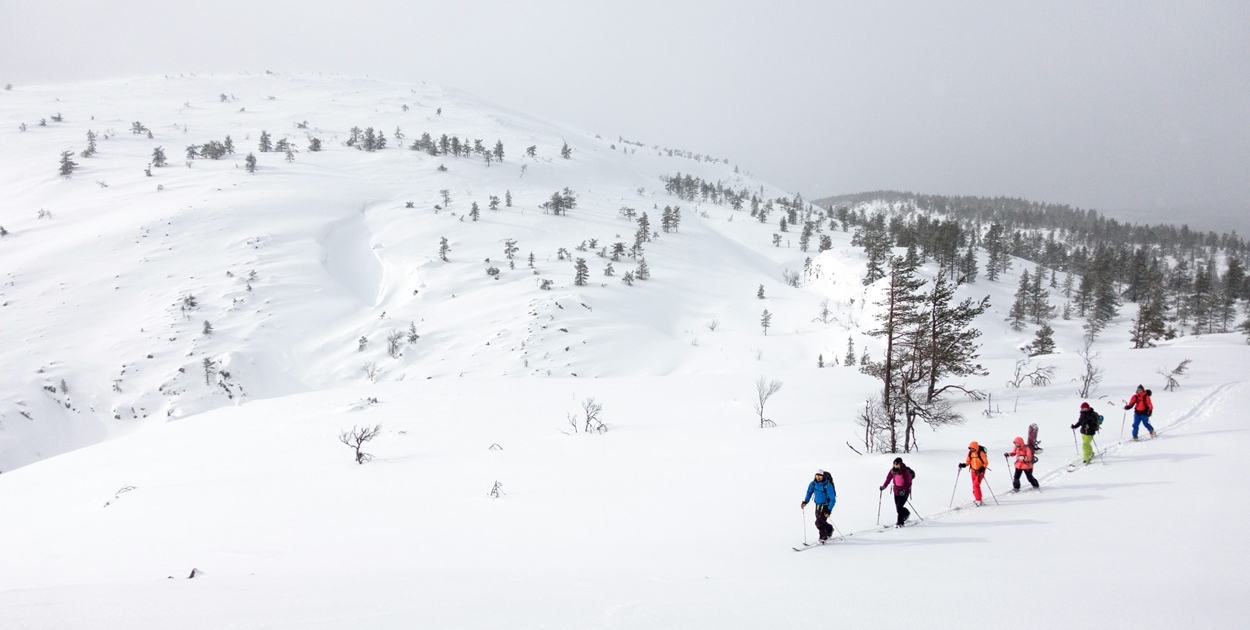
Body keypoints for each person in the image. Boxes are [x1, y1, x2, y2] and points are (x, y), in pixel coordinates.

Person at [800, 470, 837, 542]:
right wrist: (805, 501)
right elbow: (809, 493)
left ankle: (823, 537)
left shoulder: (828, 485)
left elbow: (833, 499)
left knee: (819, 522)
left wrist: (829, 510)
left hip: (826, 506)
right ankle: (829, 529)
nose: (818, 478)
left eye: (820, 476)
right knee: (820, 521)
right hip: (817, 506)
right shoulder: (813, 484)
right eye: (817, 476)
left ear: (823, 477)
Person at [879, 457, 915, 527]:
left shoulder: (905, 471)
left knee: (899, 506)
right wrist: (884, 486)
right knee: (898, 507)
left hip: (905, 492)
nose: (895, 465)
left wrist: (904, 490)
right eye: (894, 463)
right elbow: (888, 479)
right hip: (896, 491)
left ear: (900, 464)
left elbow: (909, 482)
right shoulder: (892, 471)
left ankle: (900, 523)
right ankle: (906, 514)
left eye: (897, 464)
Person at [958, 441, 989, 505]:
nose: (971, 449)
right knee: (974, 485)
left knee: (976, 485)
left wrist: (982, 468)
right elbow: (968, 462)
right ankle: (977, 498)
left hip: (980, 471)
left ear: (976, 447)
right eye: (970, 448)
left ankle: (978, 500)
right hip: (973, 471)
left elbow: (986, 462)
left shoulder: (981, 453)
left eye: (972, 448)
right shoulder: (970, 453)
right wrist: (963, 465)